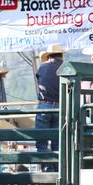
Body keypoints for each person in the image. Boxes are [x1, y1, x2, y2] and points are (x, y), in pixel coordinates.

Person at [34, 43, 65, 173]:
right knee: (57, 143)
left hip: (44, 106)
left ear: (48, 55)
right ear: (61, 55)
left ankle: (47, 171)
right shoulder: (65, 68)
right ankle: (58, 173)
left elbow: (40, 81)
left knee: (41, 142)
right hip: (60, 107)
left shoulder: (42, 67)